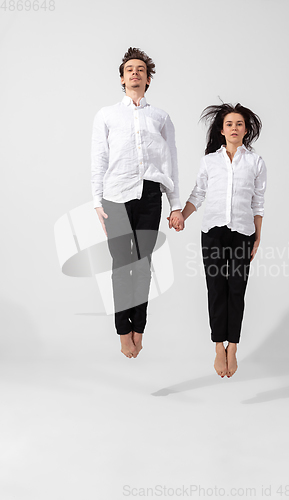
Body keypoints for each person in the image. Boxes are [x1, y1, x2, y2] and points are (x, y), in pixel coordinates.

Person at [91, 47, 184, 359]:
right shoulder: (106, 115)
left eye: (140, 70)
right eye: (129, 69)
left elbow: (171, 162)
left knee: (144, 265)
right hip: (114, 196)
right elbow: (99, 159)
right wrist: (96, 201)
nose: (135, 73)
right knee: (121, 265)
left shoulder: (160, 117)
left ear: (147, 79)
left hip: (149, 195)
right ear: (121, 78)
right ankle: (122, 331)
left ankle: (139, 327)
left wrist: (175, 205)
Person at [171, 102, 267, 378]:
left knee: (237, 288)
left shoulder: (256, 162)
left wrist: (258, 237)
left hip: (243, 233)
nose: (234, 128)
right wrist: (183, 216)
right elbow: (199, 193)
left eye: (239, 124)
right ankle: (218, 346)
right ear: (221, 130)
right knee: (215, 287)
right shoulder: (209, 161)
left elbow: (258, 203)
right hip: (212, 231)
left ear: (246, 129)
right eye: (229, 124)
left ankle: (233, 346)